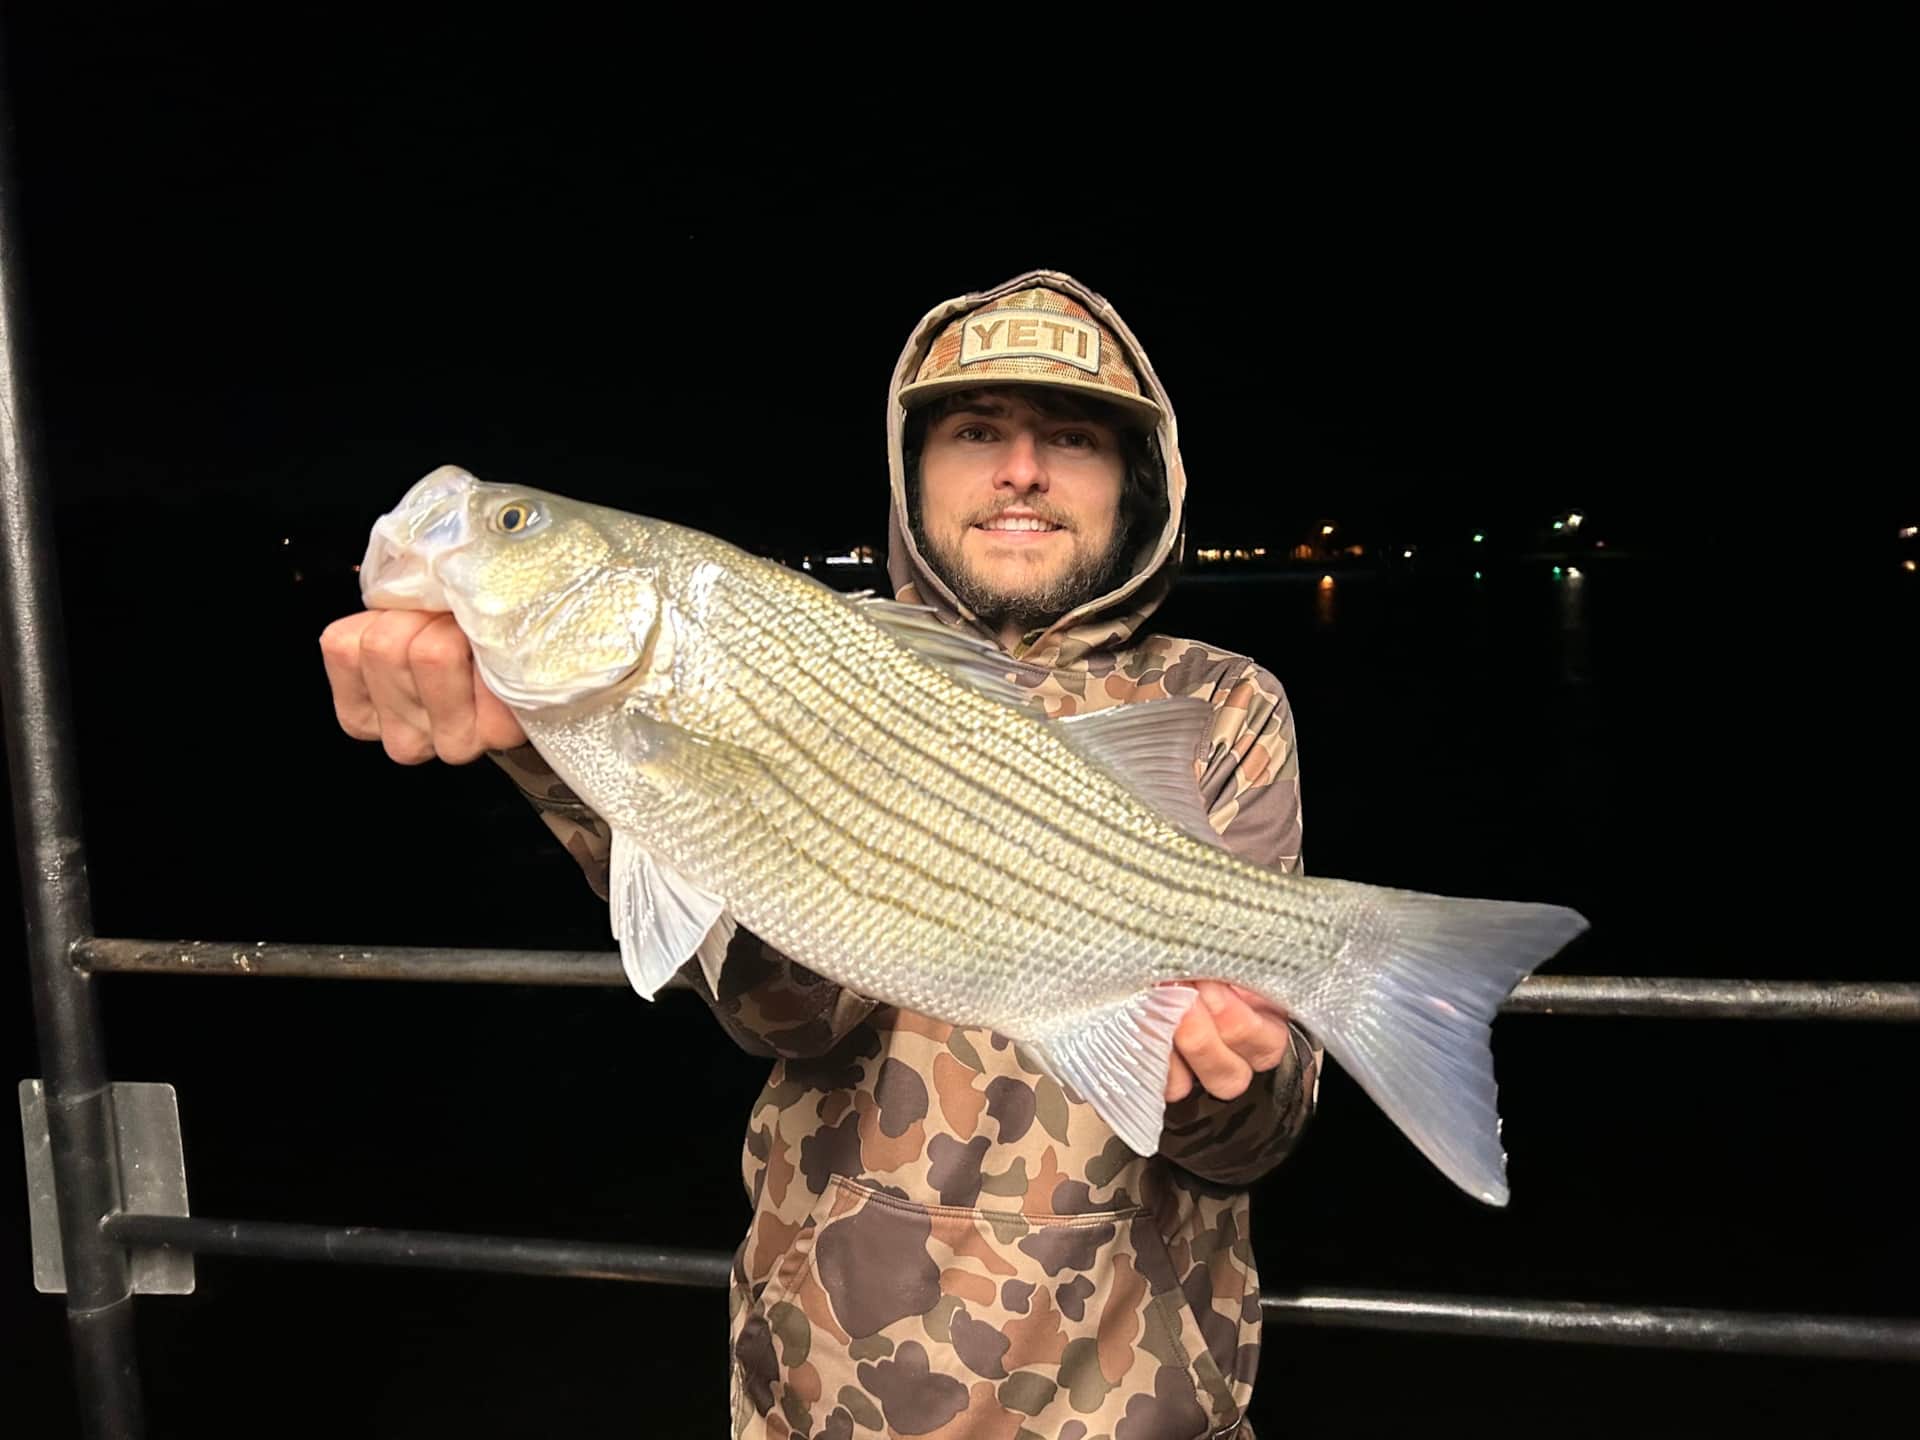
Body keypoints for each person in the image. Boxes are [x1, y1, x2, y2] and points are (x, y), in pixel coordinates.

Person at [320, 269, 1320, 1438]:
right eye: (976, 432)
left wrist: (1226, 1079)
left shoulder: (1215, 706)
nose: (1022, 470)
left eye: (1075, 438)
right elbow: (791, 1017)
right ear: (912, 470)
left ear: (1135, 481)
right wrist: (551, 751)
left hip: (1139, 1406)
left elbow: (1256, 1142)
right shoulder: (812, 653)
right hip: (829, 1400)